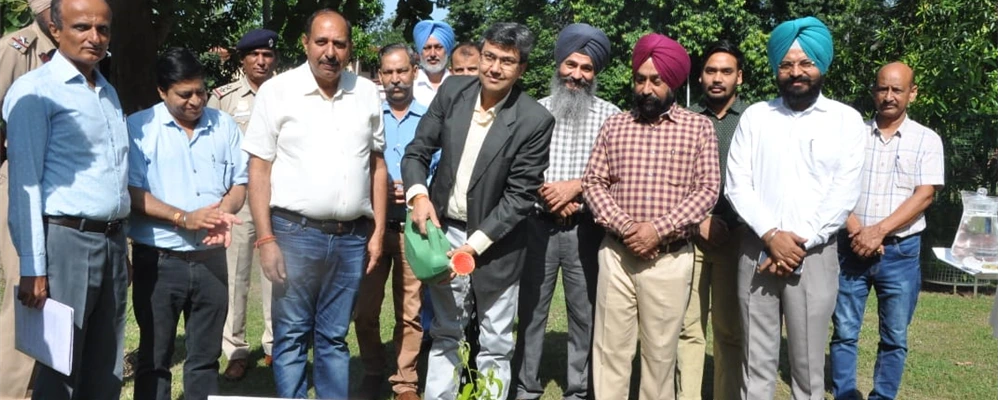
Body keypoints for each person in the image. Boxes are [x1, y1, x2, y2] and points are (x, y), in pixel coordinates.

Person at [402, 22, 554, 400]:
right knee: (445, 333)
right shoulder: (453, 91)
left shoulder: (535, 120)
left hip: (497, 244)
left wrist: (474, 246)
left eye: (507, 61)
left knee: (496, 342)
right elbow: (417, 150)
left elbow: (520, 197)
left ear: (521, 69)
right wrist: (419, 196)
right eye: (489, 56)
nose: (494, 68)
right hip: (443, 233)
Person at [241, 9, 387, 399]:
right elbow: (259, 170)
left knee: (335, 337)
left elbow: (377, 165)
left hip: (352, 238)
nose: (330, 52)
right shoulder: (278, 91)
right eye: (321, 42)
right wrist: (266, 239)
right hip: (293, 234)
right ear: (305, 44)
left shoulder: (367, 92)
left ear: (349, 47)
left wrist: (377, 234)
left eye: (339, 43)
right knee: (290, 337)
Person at [725, 16, 866, 400]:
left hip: (816, 256)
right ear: (777, 69)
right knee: (756, 365)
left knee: (807, 370)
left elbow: (843, 192)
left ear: (822, 65)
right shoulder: (756, 117)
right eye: (786, 64)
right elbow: (738, 184)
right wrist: (772, 236)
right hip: (758, 252)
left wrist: (797, 245)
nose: (796, 72)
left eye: (805, 63)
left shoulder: (846, 121)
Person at [2, 0, 130, 398]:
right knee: (60, 369)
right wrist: (33, 266)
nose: (95, 38)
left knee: (104, 366)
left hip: (110, 241)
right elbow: (25, 185)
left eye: (103, 29)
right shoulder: (35, 91)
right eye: (82, 27)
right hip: (65, 243)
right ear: (55, 30)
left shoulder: (105, 90)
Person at [582, 33, 720, 400]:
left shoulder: (698, 128)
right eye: (640, 79)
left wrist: (656, 231)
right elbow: (593, 182)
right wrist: (628, 228)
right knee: (610, 351)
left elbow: (707, 190)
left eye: (656, 81)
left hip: (670, 259)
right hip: (616, 255)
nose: (646, 88)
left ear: (673, 82)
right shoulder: (615, 125)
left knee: (660, 357)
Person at [127, 47, 247, 400]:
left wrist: (224, 212)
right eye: (185, 94)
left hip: (210, 260)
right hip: (160, 260)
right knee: (155, 357)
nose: (196, 101)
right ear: (162, 91)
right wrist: (184, 218)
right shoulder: (139, 128)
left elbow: (240, 182)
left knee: (205, 358)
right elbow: (132, 192)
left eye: (201, 91)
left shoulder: (223, 124)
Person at [514, 23, 618, 400]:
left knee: (584, 313)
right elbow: (520, 169)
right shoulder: (533, 110)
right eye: (571, 64)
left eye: (586, 68)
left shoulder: (611, 116)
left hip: (586, 228)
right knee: (532, 311)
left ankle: (579, 389)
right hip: (537, 225)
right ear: (558, 63)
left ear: (596, 73)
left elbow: (615, 174)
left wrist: (577, 190)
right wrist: (549, 195)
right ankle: (526, 387)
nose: (576, 74)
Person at [829, 62, 943, 400]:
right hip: (852, 247)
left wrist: (877, 232)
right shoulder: (853, 136)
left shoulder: (927, 139)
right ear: (873, 92)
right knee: (845, 331)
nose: (889, 96)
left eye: (897, 89)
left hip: (901, 253)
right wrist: (857, 232)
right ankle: (845, 394)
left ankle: (883, 397)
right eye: (883, 88)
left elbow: (925, 195)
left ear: (912, 93)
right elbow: (836, 187)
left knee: (894, 336)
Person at [354, 43, 426, 400]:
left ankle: (405, 382)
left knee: (410, 312)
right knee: (364, 309)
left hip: (414, 229)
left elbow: (441, 171)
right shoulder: (367, 117)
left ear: (415, 71)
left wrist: (415, 190)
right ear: (380, 76)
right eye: (388, 72)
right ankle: (371, 369)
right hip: (372, 230)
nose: (396, 79)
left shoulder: (431, 119)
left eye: (402, 71)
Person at [677, 39, 748, 400]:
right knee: (688, 329)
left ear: (739, 77)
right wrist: (699, 219)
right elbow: (671, 181)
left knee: (730, 331)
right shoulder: (683, 119)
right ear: (700, 76)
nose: (717, 78)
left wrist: (733, 224)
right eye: (710, 71)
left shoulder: (753, 121)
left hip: (738, 238)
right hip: (691, 236)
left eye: (726, 71)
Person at [208, 28, 279, 380]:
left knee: (277, 276)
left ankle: (275, 346)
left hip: (279, 199)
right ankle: (235, 349)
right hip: (239, 200)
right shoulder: (223, 98)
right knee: (235, 277)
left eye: (267, 55)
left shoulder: (288, 94)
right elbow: (210, 147)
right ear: (243, 59)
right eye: (254, 55)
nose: (261, 61)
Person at [0, 1, 56, 398]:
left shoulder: (85, 52)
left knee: (54, 291)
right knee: (25, 290)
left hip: (62, 193)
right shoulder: (14, 49)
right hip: (18, 185)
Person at [412, 20, 455, 105]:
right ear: (420, 52)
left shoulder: (455, 81)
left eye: (438, 47)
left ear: (447, 51)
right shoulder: (412, 83)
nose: (432, 54)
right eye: (427, 48)